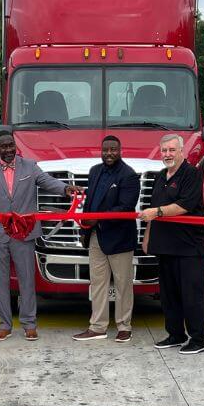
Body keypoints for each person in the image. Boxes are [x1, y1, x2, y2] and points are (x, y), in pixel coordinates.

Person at [0, 130, 81, 341]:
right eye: (3, 147)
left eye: (11, 146)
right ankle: (4, 325)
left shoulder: (30, 167)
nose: (8, 150)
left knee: (26, 281)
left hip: (24, 234)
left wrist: (66, 189)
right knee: (0, 282)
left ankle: (29, 324)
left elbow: (47, 182)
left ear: (15, 146)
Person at [139, 133, 204, 355]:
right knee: (169, 296)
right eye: (164, 150)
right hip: (165, 246)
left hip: (188, 247)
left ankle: (198, 339)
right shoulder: (160, 176)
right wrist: (147, 237)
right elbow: (153, 207)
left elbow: (184, 205)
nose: (167, 154)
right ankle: (175, 334)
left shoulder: (192, 174)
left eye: (172, 150)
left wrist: (157, 212)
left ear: (181, 151)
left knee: (192, 295)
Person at [73, 136, 140, 343]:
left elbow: (125, 207)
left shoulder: (128, 175)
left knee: (123, 285)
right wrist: (85, 227)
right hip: (95, 238)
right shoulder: (94, 171)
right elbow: (90, 203)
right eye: (105, 150)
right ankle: (98, 327)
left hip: (119, 238)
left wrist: (97, 219)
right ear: (101, 151)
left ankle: (124, 327)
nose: (109, 153)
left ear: (120, 150)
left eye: (113, 149)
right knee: (98, 283)